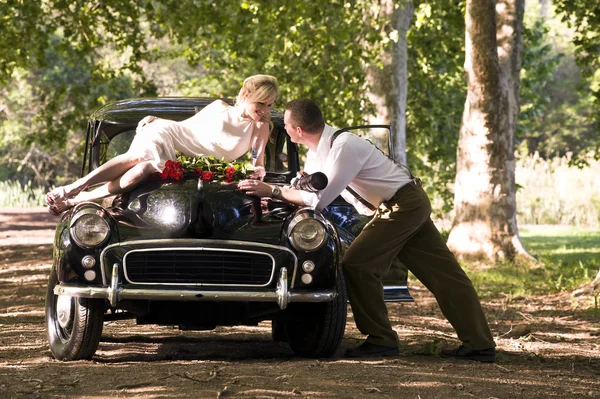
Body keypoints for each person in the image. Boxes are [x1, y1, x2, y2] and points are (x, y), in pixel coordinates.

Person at [238, 99, 496, 362]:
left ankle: (381, 339)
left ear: (298, 131)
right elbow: (308, 188)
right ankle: (479, 344)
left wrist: (274, 191)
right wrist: (282, 186)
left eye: (288, 126)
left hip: (402, 205)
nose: (286, 130)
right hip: (400, 205)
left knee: (356, 264)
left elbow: (318, 201)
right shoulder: (319, 152)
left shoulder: (344, 146)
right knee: (445, 275)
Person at [45, 74, 279, 215]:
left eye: (269, 105)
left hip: (191, 164)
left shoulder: (260, 126)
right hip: (174, 137)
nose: (265, 110)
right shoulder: (219, 107)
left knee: (141, 170)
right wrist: (158, 121)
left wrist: (258, 171)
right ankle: (73, 187)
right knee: (138, 157)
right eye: (262, 103)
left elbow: (257, 163)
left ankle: (76, 200)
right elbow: (185, 126)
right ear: (247, 95)